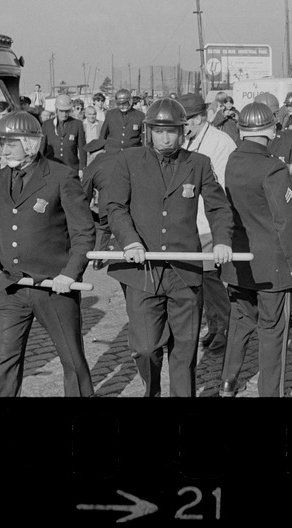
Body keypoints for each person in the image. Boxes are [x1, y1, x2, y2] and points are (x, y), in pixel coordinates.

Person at [104, 98, 234, 397]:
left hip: (185, 272)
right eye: (159, 131)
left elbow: (218, 208)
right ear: (149, 131)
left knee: (185, 348)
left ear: (183, 131)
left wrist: (223, 239)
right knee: (145, 347)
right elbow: (115, 206)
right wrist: (130, 240)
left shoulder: (198, 163)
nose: (165, 137)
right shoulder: (129, 160)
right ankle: (153, 391)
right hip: (142, 270)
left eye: (172, 131)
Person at [0, 111, 96, 396]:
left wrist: (70, 273)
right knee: (5, 358)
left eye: (10, 143)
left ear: (30, 143)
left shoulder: (61, 176)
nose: (4, 149)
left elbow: (83, 232)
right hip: (11, 287)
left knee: (71, 358)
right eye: (1, 142)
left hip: (53, 287)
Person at [219, 102, 292, 397]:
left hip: (238, 259)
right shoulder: (272, 167)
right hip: (272, 264)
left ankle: (228, 381)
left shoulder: (232, 159)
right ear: (271, 130)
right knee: (272, 330)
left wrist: (287, 176)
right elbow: (286, 221)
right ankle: (271, 392)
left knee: (241, 321)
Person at [178, 92, 238, 355]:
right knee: (202, 280)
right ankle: (215, 325)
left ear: (202, 117)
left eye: (189, 119)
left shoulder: (220, 142)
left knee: (212, 279)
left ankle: (226, 328)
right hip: (191, 221)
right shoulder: (187, 141)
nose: (185, 125)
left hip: (209, 220)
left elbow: (223, 185)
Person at [82, 138, 119, 269]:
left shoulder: (91, 167)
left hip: (107, 205)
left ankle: (97, 261)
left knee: (103, 228)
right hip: (129, 201)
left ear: (91, 154)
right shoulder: (119, 157)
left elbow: (84, 195)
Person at [42, 93, 87, 177]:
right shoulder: (47, 125)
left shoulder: (77, 124)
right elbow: (42, 148)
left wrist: (82, 168)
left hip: (71, 167)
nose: (64, 114)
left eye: (66, 111)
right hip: (51, 167)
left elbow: (82, 148)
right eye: (61, 111)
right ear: (56, 110)